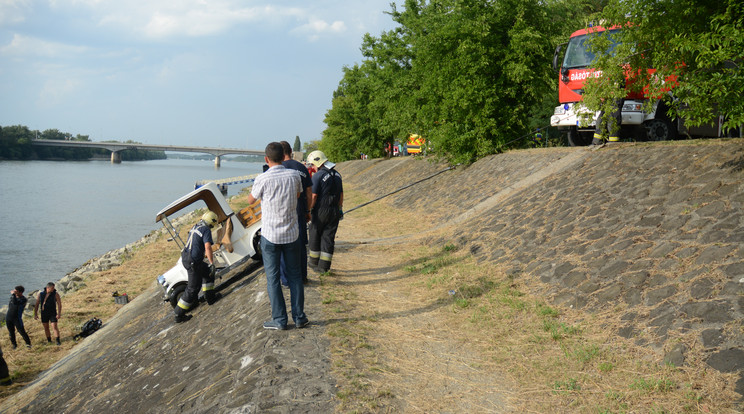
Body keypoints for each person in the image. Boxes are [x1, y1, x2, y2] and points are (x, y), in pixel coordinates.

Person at [246, 142, 308, 330]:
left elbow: (250, 200)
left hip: (271, 235)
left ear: (266, 159)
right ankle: (299, 317)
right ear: (284, 157)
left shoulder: (262, 178)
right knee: (295, 276)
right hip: (291, 234)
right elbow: (298, 195)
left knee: (273, 278)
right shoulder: (294, 175)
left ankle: (280, 320)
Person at [173, 211, 220, 323]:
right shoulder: (206, 230)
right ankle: (178, 314)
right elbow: (208, 247)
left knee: (208, 273)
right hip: (193, 262)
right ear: (211, 222)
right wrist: (211, 262)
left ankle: (210, 297)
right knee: (193, 289)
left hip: (188, 258)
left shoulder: (197, 226)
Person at [279, 140, 312, 286]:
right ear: (291, 150)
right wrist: (308, 210)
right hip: (300, 211)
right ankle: (303, 276)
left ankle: (286, 280)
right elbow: (309, 192)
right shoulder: (301, 168)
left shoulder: (279, 168)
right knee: (300, 247)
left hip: (284, 213)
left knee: (283, 247)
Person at [306, 150, 343, 273]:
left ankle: (313, 262)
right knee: (328, 238)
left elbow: (314, 195)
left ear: (318, 162)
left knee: (315, 234)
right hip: (334, 211)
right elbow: (341, 194)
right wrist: (340, 208)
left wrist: (309, 209)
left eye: (312, 164)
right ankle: (324, 267)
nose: (312, 167)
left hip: (321, 210)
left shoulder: (318, 175)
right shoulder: (337, 175)